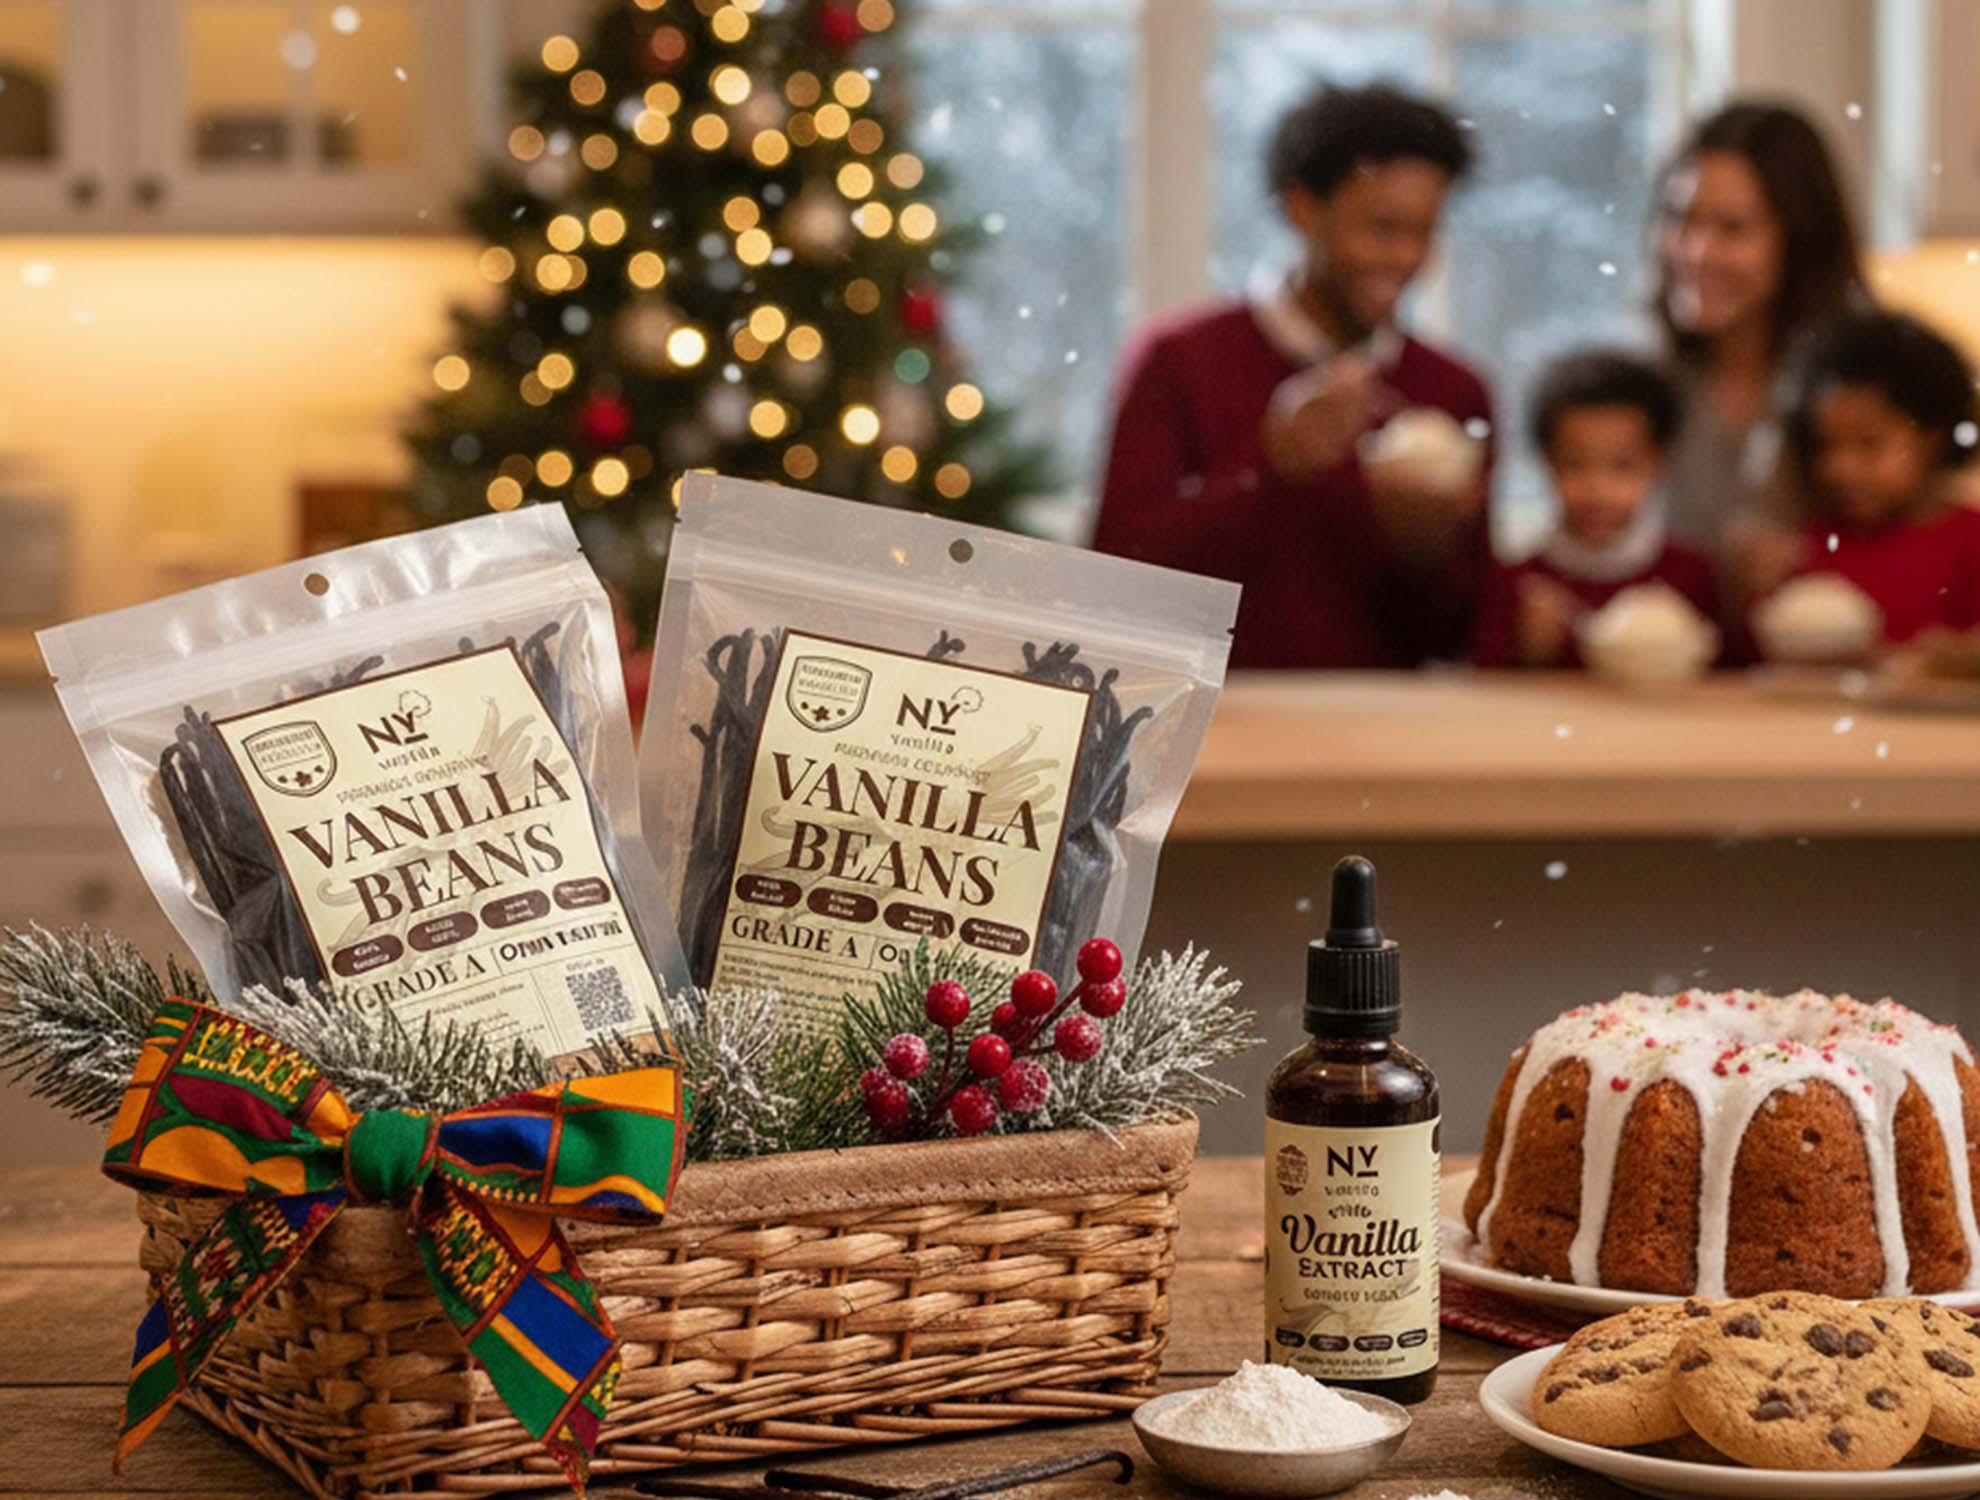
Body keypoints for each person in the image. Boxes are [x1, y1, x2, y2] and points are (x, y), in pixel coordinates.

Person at [1091, 83, 1492, 669]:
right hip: (1215, 732)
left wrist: (1428, 551)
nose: (1407, 258)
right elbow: (1117, 582)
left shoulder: (1453, 391)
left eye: (1424, 233)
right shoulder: (1178, 361)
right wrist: (1269, 467)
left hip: (1385, 743)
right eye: (1382, 228)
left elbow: (1454, 637)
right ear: (1303, 208)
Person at [1653, 101, 1867, 580]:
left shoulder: (1863, 393)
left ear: (1801, 239)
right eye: (1680, 218)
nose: (1696, 252)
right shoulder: (1649, 385)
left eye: (1733, 229)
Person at [1474, 352, 1718, 668]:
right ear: (1547, 463)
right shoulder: (1518, 583)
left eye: (1622, 467)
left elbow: (1725, 685)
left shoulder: (1690, 575)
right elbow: (1482, 690)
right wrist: (1530, 651)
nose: (1597, 490)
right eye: (1575, 465)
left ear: (1659, 464)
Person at [1755, 309, 1980, 649]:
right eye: (1825, 446)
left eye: (1868, 444)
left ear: (1934, 439)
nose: (1839, 468)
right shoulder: (1805, 548)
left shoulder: (1969, 543)